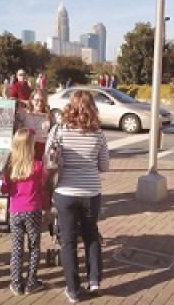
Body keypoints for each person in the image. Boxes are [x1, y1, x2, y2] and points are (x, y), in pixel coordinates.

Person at [46, 90, 109, 303]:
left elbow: (49, 161)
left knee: (68, 241)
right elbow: (104, 166)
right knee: (91, 235)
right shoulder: (99, 134)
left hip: (65, 191)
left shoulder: (59, 130)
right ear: (92, 107)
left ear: (70, 106)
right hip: (91, 191)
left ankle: (73, 289)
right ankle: (94, 280)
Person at [1, 129, 51, 296]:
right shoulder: (37, 165)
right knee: (34, 246)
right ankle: (31, 281)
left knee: (16, 248)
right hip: (33, 209)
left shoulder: (9, 167)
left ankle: (16, 282)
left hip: (15, 210)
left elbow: (4, 189)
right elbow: (44, 185)